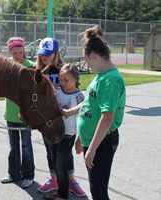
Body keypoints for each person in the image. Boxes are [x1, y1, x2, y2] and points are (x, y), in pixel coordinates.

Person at [62, 27, 126, 200]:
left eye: (87, 61)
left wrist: (92, 149)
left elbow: (107, 118)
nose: (87, 65)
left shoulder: (110, 81)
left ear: (94, 56)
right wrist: (80, 135)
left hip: (102, 143)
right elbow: (89, 105)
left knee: (98, 192)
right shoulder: (101, 76)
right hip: (93, 141)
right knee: (95, 188)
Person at [36, 38, 85, 197]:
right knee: (51, 153)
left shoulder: (63, 70)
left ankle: (70, 181)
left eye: (49, 54)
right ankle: (55, 180)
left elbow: (81, 104)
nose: (45, 57)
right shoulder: (38, 71)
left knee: (64, 157)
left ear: (56, 54)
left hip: (66, 127)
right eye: (43, 54)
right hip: (48, 122)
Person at [44, 63, 85, 200]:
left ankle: (63, 194)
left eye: (66, 80)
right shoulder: (57, 91)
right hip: (54, 132)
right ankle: (60, 190)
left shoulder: (79, 96)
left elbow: (84, 114)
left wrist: (80, 138)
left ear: (76, 79)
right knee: (56, 162)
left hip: (68, 135)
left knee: (61, 164)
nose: (62, 83)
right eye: (60, 80)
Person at [0, 37, 35, 188]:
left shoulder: (31, 66)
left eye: (20, 52)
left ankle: (28, 175)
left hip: (25, 115)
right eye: (15, 53)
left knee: (26, 147)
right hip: (10, 114)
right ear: (10, 52)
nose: (18, 56)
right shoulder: (6, 66)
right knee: (13, 146)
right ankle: (13, 174)